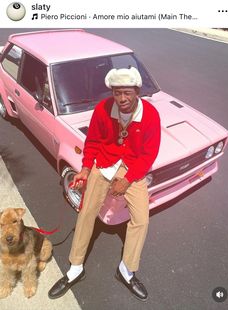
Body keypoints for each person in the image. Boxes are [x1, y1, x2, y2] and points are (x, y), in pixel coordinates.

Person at [48, 67, 161, 301]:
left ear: (137, 91)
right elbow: (92, 141)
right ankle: (75, 268)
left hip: (131, 168)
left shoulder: (150, 114)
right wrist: (86, 170)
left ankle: (126, 270)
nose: (122, 99)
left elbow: (149, 155)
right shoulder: (102, 108)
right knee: (86, 212)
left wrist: (127, 180)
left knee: (141, 219)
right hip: (104, 162)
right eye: (117, 93)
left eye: (127, 93)